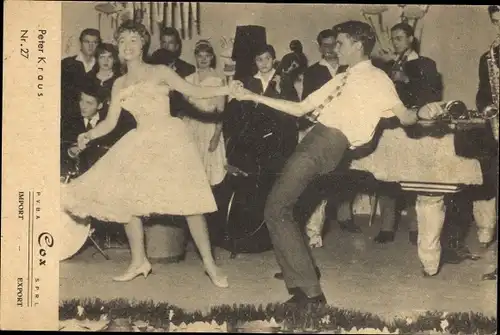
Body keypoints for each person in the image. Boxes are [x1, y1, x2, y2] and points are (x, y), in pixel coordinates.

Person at [231, 21, 443, 306]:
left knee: (276, 208)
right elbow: (301, 107)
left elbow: (405, 117)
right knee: (278, 209)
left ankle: (310, 293)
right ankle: (302, 283)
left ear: (358, 45)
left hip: (328, 143)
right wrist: (251, 95)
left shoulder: (377, 79)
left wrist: (425, 110)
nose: (334, 48)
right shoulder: (344, 76)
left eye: (340, 43)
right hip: (316, 139)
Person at [62, 20, 234, 288]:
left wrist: (227, 88)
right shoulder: (119, 83)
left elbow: (194, 91)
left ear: (142, 44)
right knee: (126, 199)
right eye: (122, 41)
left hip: (170, 138)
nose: (127, 46)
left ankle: (211, 266)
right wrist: (88, 135)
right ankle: (139, 260)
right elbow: (109, 123)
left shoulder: (160, 71)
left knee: (191, 204)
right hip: (140, 140)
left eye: (133, 40)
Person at [372, 22, 443, 245]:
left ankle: (415, 227)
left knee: (414, 176)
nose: (396, 43)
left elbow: (432, 94)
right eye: (393, 39)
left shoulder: (425, 64)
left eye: (400, 38)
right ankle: (387, 226)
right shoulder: (391, 65)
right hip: (392, 125)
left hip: (416, 127)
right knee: (387, 176)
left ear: (411, 39)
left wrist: (407, 81)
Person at [299, 29, 361, 246]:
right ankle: (313, 233)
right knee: (317, 182)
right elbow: (309, 104)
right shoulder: (313, 72)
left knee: (343, 177)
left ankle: (344, 217)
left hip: (345, 132)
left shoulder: (351, 70)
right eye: (324, 45)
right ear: (319, 47)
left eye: (333, 44)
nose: (329, 49)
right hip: (321, 131)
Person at [182, 40, 227, 187]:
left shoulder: (218, 81)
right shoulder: (188, 80)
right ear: (195, 57)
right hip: (190, 128)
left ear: (212, 57)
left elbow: (220, 112)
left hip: (208, 129)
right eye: (200, 56)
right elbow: (183, 109)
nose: (203, 59)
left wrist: (216, 136)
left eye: (207, 56)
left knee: (207, 175)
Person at [61, 28, 101, 121]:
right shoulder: (66, 64)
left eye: (94, 42)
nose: (91, 46)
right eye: (87, 42)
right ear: (81, 43)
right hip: (69, 120)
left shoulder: (100, 66)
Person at [158, 27, 196, 118]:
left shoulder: (188, 69)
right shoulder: (151, 67)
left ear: (177, 46)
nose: (166, 47)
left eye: (170, 43)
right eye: (164, 43)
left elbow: (190, 102)